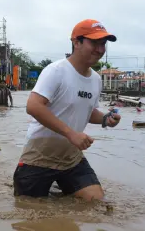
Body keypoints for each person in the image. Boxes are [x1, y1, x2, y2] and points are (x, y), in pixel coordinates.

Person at [13, 19, 121, 201]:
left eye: (103, 44)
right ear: (76, 42)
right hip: (39, 156)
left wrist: (105, 119)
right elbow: (33, 106)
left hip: (71, 157)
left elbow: (88, 111)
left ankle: (59, 184)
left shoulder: (96, 79)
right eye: (94, 42)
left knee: (95, 201)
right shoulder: (56, 71)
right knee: (29, 212)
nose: (100, 49)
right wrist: (71, 134)